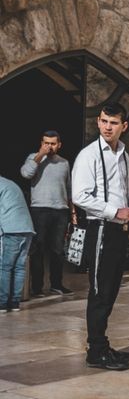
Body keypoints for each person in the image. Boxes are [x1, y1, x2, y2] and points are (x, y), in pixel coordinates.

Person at [72, 103, 129, 370]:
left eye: (113, 123)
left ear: (124, 126)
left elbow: (123, 192)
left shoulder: (123, 154)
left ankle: (102, 344)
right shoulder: (89, 155)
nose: (107, 127)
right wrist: (116, 211)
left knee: (112, 289)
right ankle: (96, 351)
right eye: (103, 121)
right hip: (100, 227)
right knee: (100, 291)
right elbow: (79, 196)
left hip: (118, 229)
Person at [20, 130, 75, 297]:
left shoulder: (64, 162)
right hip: (40, 209)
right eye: (46, 143)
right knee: (38, 248)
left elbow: (69, 188)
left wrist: (72, 210)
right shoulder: (33, 158)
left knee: (58, 250)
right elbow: (26, 173)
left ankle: (56, 284)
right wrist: (40, 155)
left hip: (60, 210)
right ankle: (37, 288)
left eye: (52, 143)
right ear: (41, 143)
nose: (49, 147)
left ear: (59, 145)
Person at [0, 175, 35, 313]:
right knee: (20, 267)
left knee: (5, 267)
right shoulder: (9, 183)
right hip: (27, 229)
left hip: (11, 229)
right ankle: (14, 303)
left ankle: (2, 303)